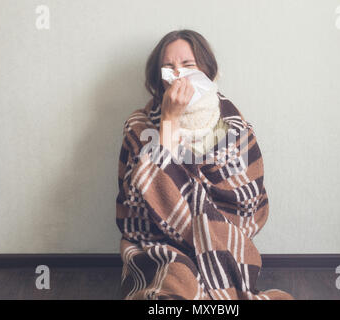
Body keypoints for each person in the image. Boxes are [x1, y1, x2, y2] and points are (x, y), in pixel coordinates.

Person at [115, 29, 293, 300]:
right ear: (158, 77)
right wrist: (169, 121)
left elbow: (246, 199)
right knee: (171, 286)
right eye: (168, 67)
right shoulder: (139, 125)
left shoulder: (233, 124)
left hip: (221, 240)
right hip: (159, 244)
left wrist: (201, 223)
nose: (178, 75)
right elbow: (137, 202)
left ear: (208, 72)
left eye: (188, 66)